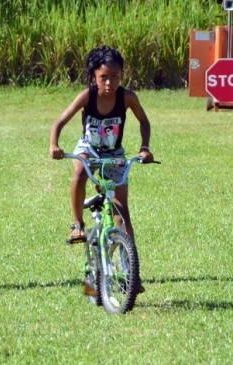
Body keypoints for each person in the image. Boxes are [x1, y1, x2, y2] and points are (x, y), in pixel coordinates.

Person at [49, 45, 153, 289]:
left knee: (122, 215)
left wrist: (144, 147)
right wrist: (54, 144)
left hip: (114, 153)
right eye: (103, 77)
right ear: (94, 76)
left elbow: (144, 121)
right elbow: (60, 121)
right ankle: (77, 224)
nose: (109, 82)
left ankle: (131, 272)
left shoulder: (127, 97)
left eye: (115, 76)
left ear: (122, 75)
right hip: (89, 148)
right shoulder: (87, 96)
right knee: (79, 171)